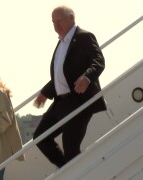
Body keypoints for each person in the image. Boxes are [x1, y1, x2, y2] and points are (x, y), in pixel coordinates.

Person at [33, 5, 107, 168]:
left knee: (71, 149)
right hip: (61, 102)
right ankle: (68, 171)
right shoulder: (61, 44)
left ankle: (72, 172)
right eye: (53, 22)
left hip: (79, 101)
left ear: (71, 18)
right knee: (40, 137)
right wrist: (45, 93)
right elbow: (62, 75)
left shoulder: (84, 37)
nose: (56, 26)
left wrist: (87, 78)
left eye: (59, 21)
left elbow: (98, 61)